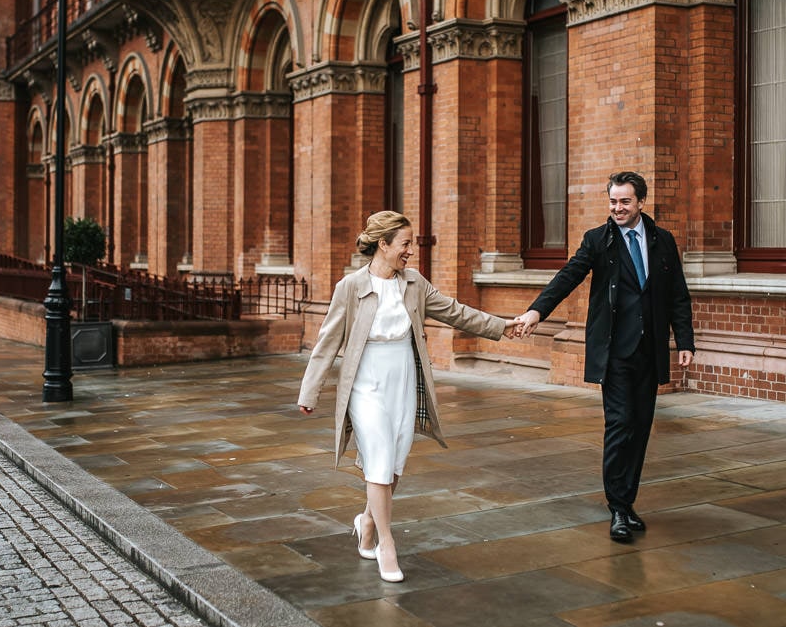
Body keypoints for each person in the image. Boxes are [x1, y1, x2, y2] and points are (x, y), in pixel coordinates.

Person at [298, 210, 521, 583]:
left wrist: (502, 326)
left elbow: (455, 311)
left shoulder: (414, 283)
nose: (411, 252)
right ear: (383, 245)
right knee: (380, 456)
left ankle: (367, 521)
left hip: (402, 376)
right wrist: (310, 390)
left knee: (393, 464)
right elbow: (327, 344)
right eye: (405, 244)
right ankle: (386, 542)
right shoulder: (350, 287)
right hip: (366, 380)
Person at [516, 171, 695, 543]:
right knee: (620, 424)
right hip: (614, 352)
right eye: (613, 201)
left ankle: (627, 502)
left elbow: (678, 295)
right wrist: (536, 312)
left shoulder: (663, 241)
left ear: (641, 202)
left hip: (650, 351)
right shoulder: (598, 240)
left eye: (625, 201)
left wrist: (686, 342)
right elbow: (568, 276)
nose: (617, 208)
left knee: (641, 428)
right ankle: (617, 507)